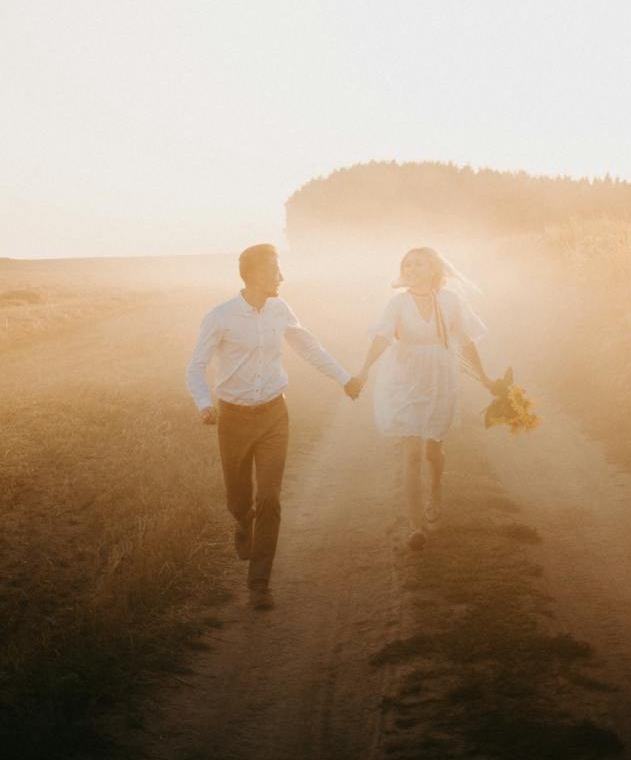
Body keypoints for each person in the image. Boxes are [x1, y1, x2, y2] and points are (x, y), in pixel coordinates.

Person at [187, 244, 362, 609]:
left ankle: (259, 585)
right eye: (274, 271)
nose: (281, 277)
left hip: (273, 416)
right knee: (238, 499)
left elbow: (308, 346)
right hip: (232, 418)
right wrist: (205, 404)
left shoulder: (280, 310)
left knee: (268, 498)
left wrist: (344, 378)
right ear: (252, 275)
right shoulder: (220, 317)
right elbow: (196, 366)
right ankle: (241, 521)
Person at [355, 247, 494, 550]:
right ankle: (416, 526)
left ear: (433, 269)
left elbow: (466, 341)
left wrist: (484, 377)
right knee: (412, 453)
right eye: (407, 264)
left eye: (419, 263)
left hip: (439, 377)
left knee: (432, 450)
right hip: (405, 377)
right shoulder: (397, 303)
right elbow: (382, 337)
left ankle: (435, 489)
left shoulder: (451, 301)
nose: (412, 268)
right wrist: (364, 371)